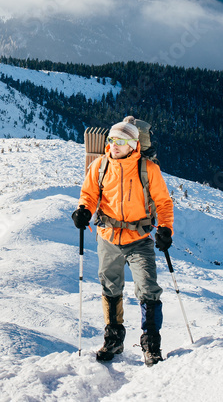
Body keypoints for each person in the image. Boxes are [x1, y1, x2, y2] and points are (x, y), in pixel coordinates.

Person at [73, 116, 174, 366]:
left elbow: (163, 203)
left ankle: (151, 343)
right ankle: (113, 339)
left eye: (120, 140)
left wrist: (165, 229)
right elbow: (88, 194)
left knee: (148, 289)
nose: (114, 144)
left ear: (133, 144)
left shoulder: (148, 169)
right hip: (107, 238)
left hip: (139, 238)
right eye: (111, 139)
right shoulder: (100, 166)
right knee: (110, 288)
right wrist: (83, 210)